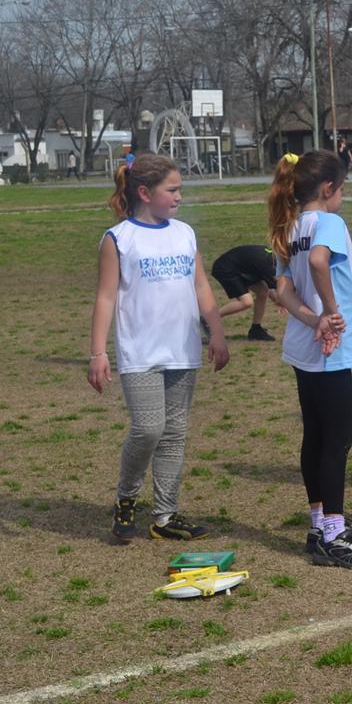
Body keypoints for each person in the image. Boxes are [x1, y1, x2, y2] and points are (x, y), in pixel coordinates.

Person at [89, 154, 229, 542]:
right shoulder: (118, 238)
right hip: (140, 354)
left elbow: (201, 286)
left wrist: (216, 332)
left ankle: (165, 516)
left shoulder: (184, 233)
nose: (179, 196)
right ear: (145, 192)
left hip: (183, 350)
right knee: (149, 428)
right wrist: (98, 352)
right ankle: (126, 497)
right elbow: (105, 298)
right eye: (173, 189)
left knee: (174, 433)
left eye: (180, 189)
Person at [266, 150, 352, 569]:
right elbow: (318, 262)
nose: (343, 197)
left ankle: (319, 522)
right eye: (343, 189)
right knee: (337, 439)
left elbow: (282, 288)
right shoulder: (329, 222)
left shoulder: (293, 224)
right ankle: (334, 532)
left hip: (305, 345)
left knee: (315, 436)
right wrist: (330, 313)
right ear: (329, 189)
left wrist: (312, 318)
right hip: (328, 349)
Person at [209, 245, 282, 342]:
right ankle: (208, 319)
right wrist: (283, 302)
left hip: (240, 268)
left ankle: (256, 330)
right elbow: (275, 291)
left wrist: (280, 300)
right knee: (246, 302)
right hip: (225, 268)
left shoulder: (271, 257)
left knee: (263, 292)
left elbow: (271, 289)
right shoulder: (267, 264)